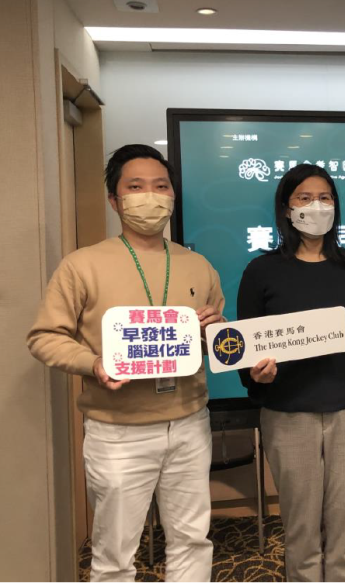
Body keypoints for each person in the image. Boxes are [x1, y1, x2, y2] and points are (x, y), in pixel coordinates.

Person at [27, 144, 225, 582]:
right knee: (115, 556)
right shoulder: (82, 265)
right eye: (135, 187)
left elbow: (212, 341)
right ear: (115, 200)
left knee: (193, 540)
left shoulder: (198, 266)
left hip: (190, 422)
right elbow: (44, 337)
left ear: (173, 196)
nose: (149, 197)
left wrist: (215, 332)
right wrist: (94, 363)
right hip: (118, 431)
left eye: (160, 186)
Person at [237, 163, 345, 582]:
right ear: (285, 208)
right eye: (304, 198)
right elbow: (248, 347)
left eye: (326, 197)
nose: (316, 206)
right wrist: (256, 375)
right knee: (300, 527)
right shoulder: (261, 271)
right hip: (288, 412)